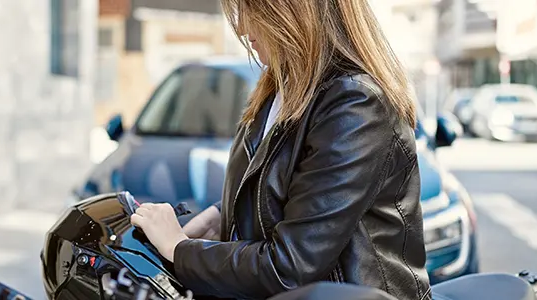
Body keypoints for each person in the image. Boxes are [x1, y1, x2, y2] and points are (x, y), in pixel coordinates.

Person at [128, 0, 431, 299]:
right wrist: (224, 218)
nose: (243, 28)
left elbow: (290, 267)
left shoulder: (355, 103)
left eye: (251, 8)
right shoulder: (278, 90)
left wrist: (179, 249)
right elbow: (299, 195)